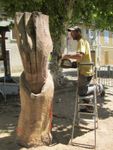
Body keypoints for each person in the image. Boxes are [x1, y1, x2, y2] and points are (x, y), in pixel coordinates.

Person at [62, 26, 105, 97]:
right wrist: (75, 63)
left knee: (82, 92)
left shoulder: (81, 41)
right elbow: (83, 57)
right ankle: (88, 107)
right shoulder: (84, 41)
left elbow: (79, 56)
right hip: (86, 70)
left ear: (78, 32)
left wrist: (66, 55)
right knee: (82, 90)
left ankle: (99, 88)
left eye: (73, 32)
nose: (71, 34)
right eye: (70, 32)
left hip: (85, 72)